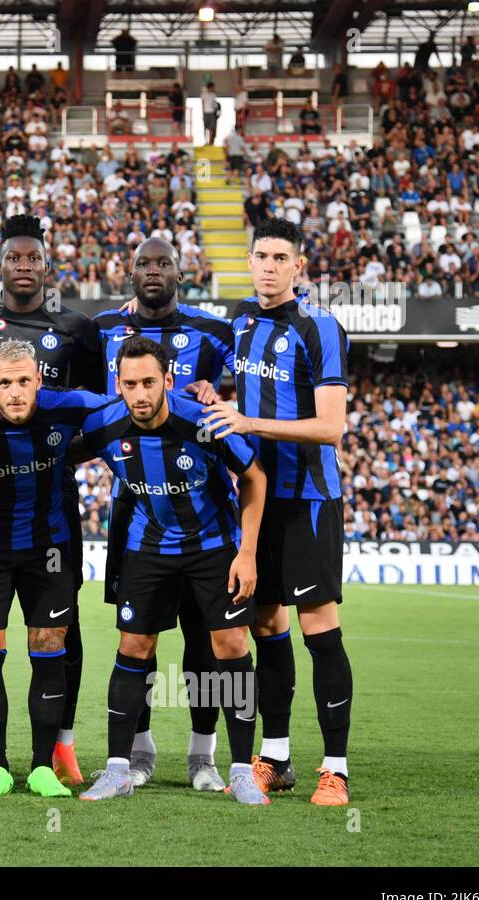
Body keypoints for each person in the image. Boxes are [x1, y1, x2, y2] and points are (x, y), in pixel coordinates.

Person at [75, 336, 268, 804]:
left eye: (148, 383)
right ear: (117, 385)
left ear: (168, 381)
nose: (139, 394)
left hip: (212, 547)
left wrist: (247, 554)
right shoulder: (105, 423)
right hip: (147, 546)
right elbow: (59, 452)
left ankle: (241, 770)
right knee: (134, 646)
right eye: (129, 384)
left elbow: (254, 477)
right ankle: (119, 768)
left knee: (230, 645)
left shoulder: (203, 421)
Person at [0, 214, 103, 787]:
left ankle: (58, 748)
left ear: (46, 262)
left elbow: (104, 413)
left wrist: (54, 450)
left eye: (33, 257)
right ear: (1, 261)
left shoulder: (78, 329)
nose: (23, 265)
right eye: (14, 256)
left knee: (60, 634)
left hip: (53, 517)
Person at [202, 217, 353, 806]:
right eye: (259, 255)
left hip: (309, 502)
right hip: (256, 501)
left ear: (299, 266)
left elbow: (331, 427)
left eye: (279, 257)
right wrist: (215, 400)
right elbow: (231, 392)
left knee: (321, 632)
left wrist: (247, 420)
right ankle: (277, 757)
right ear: (249, 260)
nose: (268, 265)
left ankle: (335, 768)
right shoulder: (239, 322)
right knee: (267, 629)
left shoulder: (320, 328)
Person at [90, 237, 238, 790]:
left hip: (201, 507)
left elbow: (242, 393)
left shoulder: (214, 331)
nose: (153, 272)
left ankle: (204, 754)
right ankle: (140, 748)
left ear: (182, 271)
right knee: (139, 639)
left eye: (163, 263)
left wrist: (212, 391)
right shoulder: (102, 328)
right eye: (143, 264)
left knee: (205, 641)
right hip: (134, 509)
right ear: (128, 273)